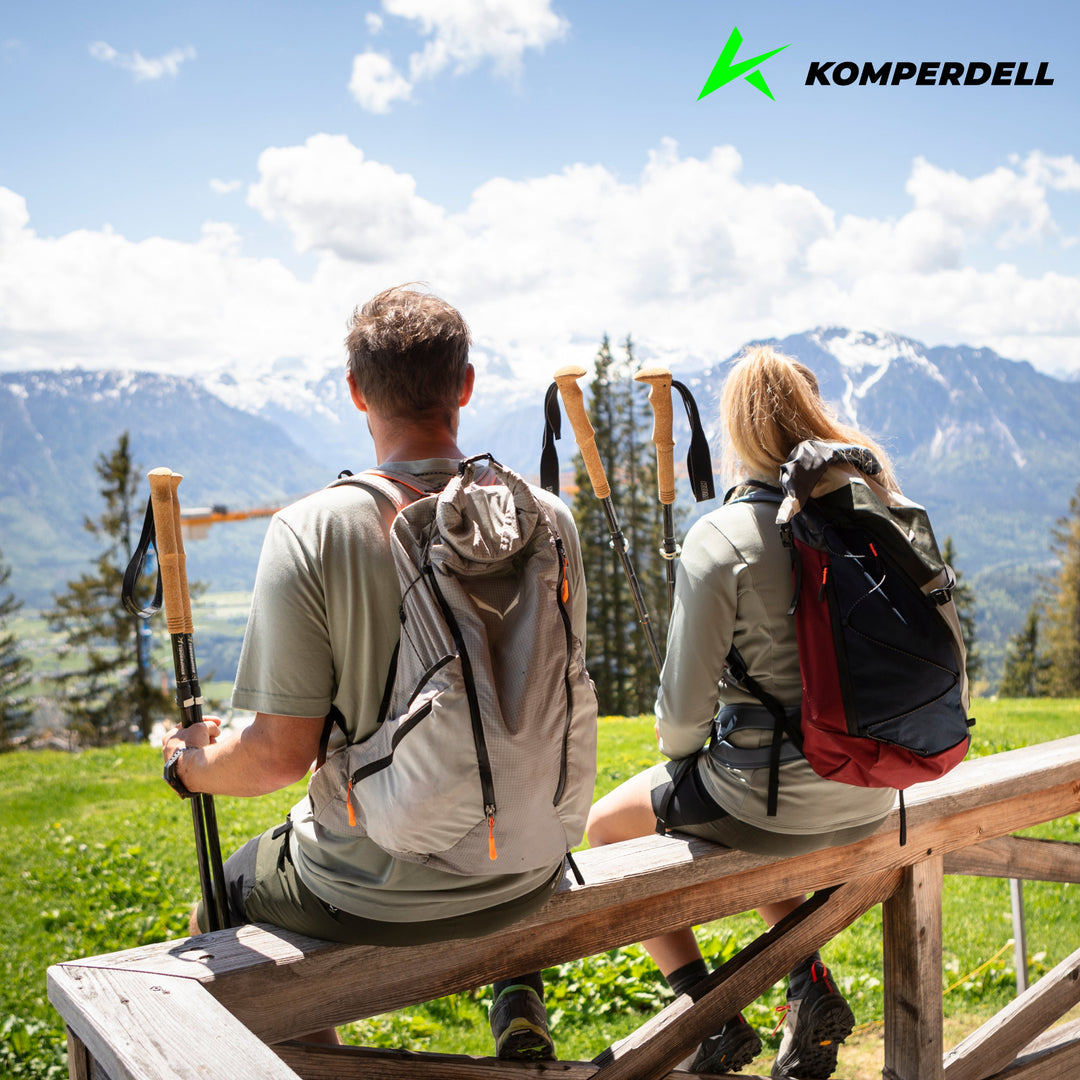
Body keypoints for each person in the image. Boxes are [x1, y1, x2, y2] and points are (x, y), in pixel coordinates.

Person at [159, 284, 594, 1060]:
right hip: (528, 866)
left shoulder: (314, 528)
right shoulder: (546, 519)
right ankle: (517, 990)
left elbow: (278, 759)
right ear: (464, 385)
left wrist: (188, 768)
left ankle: (324, 1070)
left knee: (221, 900)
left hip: (378, 889)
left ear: (355, 390)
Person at [585, 346, 899, 1080]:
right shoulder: (874, 512)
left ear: (739, 432)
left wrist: (698, 742)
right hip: (878, 789)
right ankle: (806, 980)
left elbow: (680, 723)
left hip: (775, 799)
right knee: (764, 796)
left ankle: (709, 1012)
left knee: (606, 826)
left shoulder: (721, 537)